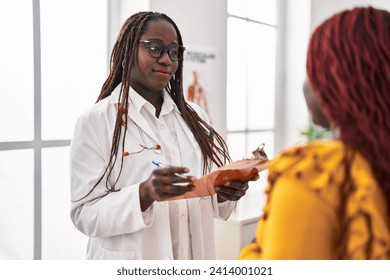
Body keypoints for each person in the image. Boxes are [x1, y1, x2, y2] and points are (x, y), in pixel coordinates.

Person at [69, 11, 252, 260]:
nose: (167, 59)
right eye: (155, 48)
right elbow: (84, 214)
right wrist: (143, 194)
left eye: (174, 52)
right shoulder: (96, 121)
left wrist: (222, 194)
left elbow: (206, 198)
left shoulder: (195, 117)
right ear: (128, 50)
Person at [239, 6, 390, 260]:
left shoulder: (315, 172)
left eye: (313, 70)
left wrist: (256, 248)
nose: (306, 84)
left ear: (340, 80)